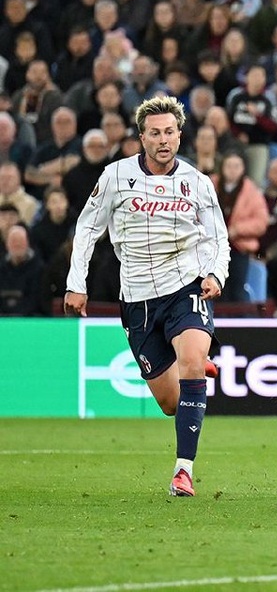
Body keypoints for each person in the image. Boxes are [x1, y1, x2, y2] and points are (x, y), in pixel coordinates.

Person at [63, 96, 230, 498]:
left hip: (185, 287)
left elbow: (218, 238)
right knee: (171, 403)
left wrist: (215, 274)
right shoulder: (116, 176)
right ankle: (193, 365)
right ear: (142, 138)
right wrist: (76, 283)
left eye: (169, 132)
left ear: (180, 135)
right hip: (137, 300)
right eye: (155, 133)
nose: (163, 140)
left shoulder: (197, 182)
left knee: (191, 362)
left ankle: (183, 470)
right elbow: (87, 229)